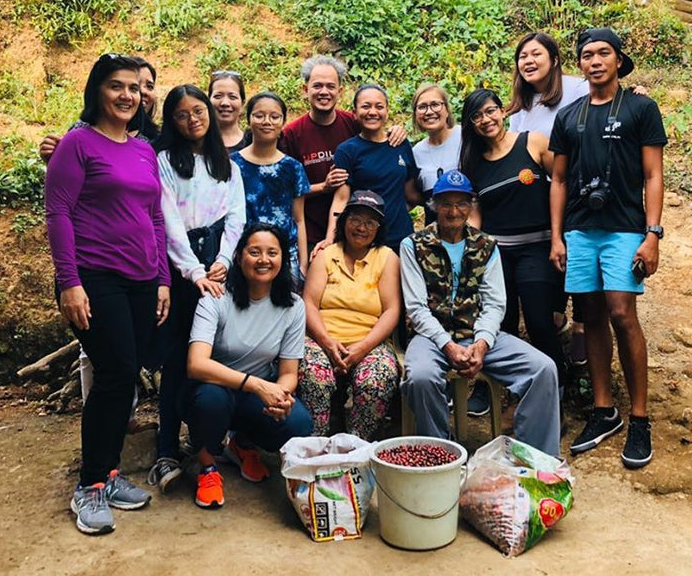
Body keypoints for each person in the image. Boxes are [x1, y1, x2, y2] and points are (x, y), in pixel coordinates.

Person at [45, 53, 171, 535]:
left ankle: (110, 472)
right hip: (95, 277)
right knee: (117, 373)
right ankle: (90, 484)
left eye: (133, 88)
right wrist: (69, 282)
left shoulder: (142, 150)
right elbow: (58, 214)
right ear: (97, 91)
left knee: (126, 373)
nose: (126, 95)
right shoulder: (77, 144)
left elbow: (155, 218)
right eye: (115, 86)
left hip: (142, 278)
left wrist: (161, 278)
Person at [549, 27, 666, 470]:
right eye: (586, 55)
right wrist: (557, 235)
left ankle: (640, 418)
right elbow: (558, 179)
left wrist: (652, 233)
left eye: (603, 53)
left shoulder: (641, 108)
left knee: (622, 312)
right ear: (579, 65)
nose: (594, 61)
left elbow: (653, 175)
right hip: (580, 230)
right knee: (590, 315)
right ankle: (604, 410)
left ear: (619, 60)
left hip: (624, 228)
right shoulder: (570, 116)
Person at [400, 170, 561, 457]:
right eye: (446, 203)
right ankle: (440, 457)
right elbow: (416, 308)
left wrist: (482, 343)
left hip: (478, 335)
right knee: (421, 377)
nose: (454, 211)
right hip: (432, 337)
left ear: (471, 206)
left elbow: (495, 303)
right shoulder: (413, 245)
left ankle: (537, 459)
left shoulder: (486, 246)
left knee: (543, 368)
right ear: (434, 206)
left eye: (462, 203)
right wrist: (447, 345)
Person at [148, 85, 246, 493]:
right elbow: (167, 218)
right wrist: (193, 271)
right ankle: (167, 448)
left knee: (217, 353)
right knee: (177, 360)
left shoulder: (228, 165)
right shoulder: (165, 161)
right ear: (172, 121)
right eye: (182, 114)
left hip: (220, 261)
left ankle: (210, 442)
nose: (193, 119)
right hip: (181, 266)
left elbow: (236, 216)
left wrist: (223, 262)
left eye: (198, 111)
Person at [183, 224, 313, 509]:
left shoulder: (292, 306)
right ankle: (207, 466)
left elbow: (289, 373)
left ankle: (241, 444)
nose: (263, 260)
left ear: (282, 259)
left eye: (272, 253)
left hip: (256, 395)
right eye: (254, 252)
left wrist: (279, 396)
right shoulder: (216, 297)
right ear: (240, 257)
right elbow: (196, 364)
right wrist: (256, 385)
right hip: (212, 388)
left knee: (299, 423)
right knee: (211, 400)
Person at [460, 88, 568, 398]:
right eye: (477, 115)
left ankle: (555, 391)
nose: (486, 119)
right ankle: (505, 392)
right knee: (502, 324)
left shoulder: (532, 142)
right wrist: (468, 250)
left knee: (539, 321)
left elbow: (562, 184)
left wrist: (560, 238)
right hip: (497, 253)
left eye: (490, 110)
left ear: (502, 111)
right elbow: (476, 213)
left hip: (539, 246)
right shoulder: (473, 162)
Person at [507, 33, 590, 363]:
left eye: (536, 54)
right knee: (554, 252)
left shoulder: (577, 88)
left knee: (580, 252)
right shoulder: (521, 110)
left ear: (554, 59)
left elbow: (610, 101)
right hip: (545, 193)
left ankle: (583, 327)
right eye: (522, 56)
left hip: (581, 187)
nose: (528, 61)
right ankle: (558, 316)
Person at [298, 190, 401, 440]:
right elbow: (309, 303)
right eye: (355, 218)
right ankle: (316, 445)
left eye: (370, 222)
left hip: (368, 341)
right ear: (344, 221)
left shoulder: (387, 258)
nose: (361, 227)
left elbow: (391, 310)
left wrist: (362, 348)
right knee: (313, 374)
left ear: (379, 228)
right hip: (321, 339)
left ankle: (356, 445)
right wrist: (327, 342)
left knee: (377, 378)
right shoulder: (325, 255)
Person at [280, 55, 405, 256]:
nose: (324, 92)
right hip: (312, 233)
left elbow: (376, 132)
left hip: (357, 232)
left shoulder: (353, 123)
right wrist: (323, 187)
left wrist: (396, 130)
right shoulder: (292, 134)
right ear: (305, 90)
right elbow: (285, 191)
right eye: (317, 86)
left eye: (330, 86)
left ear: (340, 91)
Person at [326, 84, 419, 253]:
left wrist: (394, 212)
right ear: (354, 113)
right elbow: (341, 199)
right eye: (365, 106)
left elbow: (411, 195)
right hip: (364, 241)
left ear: (387, 111)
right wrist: (330, 239)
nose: (373, 112)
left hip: (401, 238)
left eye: (379, 106)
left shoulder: (400, 144)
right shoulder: (347, 150)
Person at [232, 92, 310, 284]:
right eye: (259, 115)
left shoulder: (293, 168)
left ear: (283, 122)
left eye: (274, 117)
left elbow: (299, 219)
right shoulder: (233, 164)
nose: (267, 121)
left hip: (285, 258)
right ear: (248, 119)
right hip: (243, 257)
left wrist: (303, 263)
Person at [411, 83, 462, 225]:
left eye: (435, 104)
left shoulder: (466, 137)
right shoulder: (416, 153)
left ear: (446, 109)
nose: (429, 112)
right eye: (422, 107)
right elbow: (414, 197)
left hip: (473, 233)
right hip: (435, 237)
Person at [208, 69, 251, 152]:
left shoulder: (253, 143)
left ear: (242, 103)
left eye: (232, 97)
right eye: (218, 96)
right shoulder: (197, 142)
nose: (225, 103)